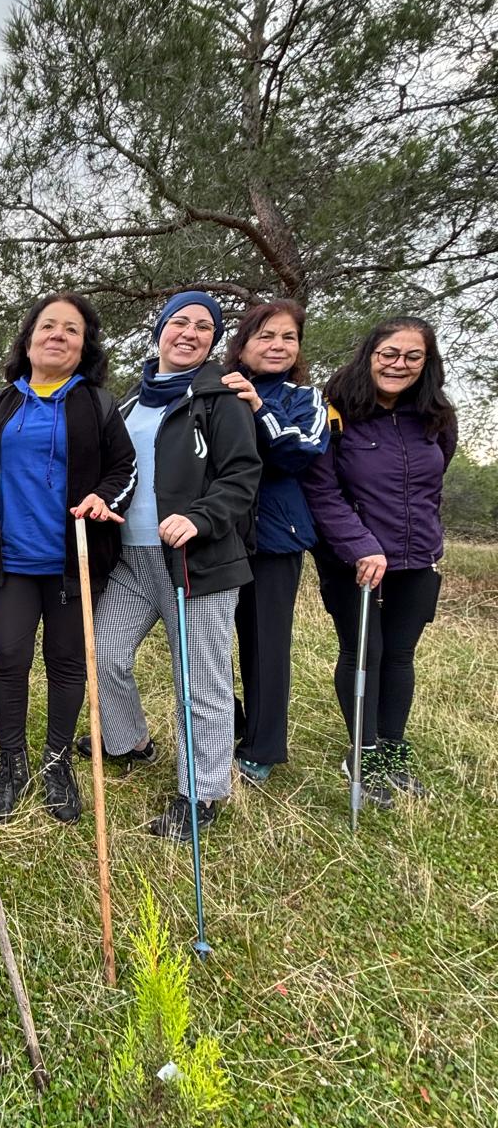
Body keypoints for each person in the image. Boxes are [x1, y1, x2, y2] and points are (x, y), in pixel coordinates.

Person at [0, 293, 136, 822]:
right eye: (48, 326)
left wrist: (104, 498)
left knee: (66, 663)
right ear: (29, 339)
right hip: (10, 562)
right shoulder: (1, 403)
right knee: (8, 660)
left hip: (73, 563)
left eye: (72, 330)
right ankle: (12, 762)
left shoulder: (97, 404)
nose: (59, 335)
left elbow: (123, 469)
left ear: (84, 348)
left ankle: (57, 762)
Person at [91, 290, 261, 839]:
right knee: (103, 650)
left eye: (204, 327)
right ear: (159, 329)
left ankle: (202, 793)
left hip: (197, 562)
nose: (190, 333)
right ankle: (131, 741)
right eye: (180, 322)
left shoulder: (222, 400)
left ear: (214, 341)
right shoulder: (125, 405)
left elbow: (241, 477)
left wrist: (202, 517)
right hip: (132, 560)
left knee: (200, 680)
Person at [302, 315, 456, 806]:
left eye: (413, 356)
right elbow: (321, 490)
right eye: (389, 353)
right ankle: (362, 753)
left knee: (399, 656)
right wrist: (360, 544)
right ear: (369, 355)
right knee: (363, 652)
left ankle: (392, 752)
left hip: (417, 560)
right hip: (355, 560)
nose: (399, 364)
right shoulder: (335, 412)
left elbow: (434, 483)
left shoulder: (437, 417)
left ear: (426, 364)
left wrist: (429, 542)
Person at [220, 300, 328, 784]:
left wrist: (258, 407)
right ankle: (230, 719)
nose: (277, 346)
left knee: (264, 644)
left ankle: (262, 745)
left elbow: (297, 454)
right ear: (242, 345)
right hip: (219, 536)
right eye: (266, 336)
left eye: (288, 337)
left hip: (275, 541)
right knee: (210, 641)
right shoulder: (216, 390)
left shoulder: (305, 400)